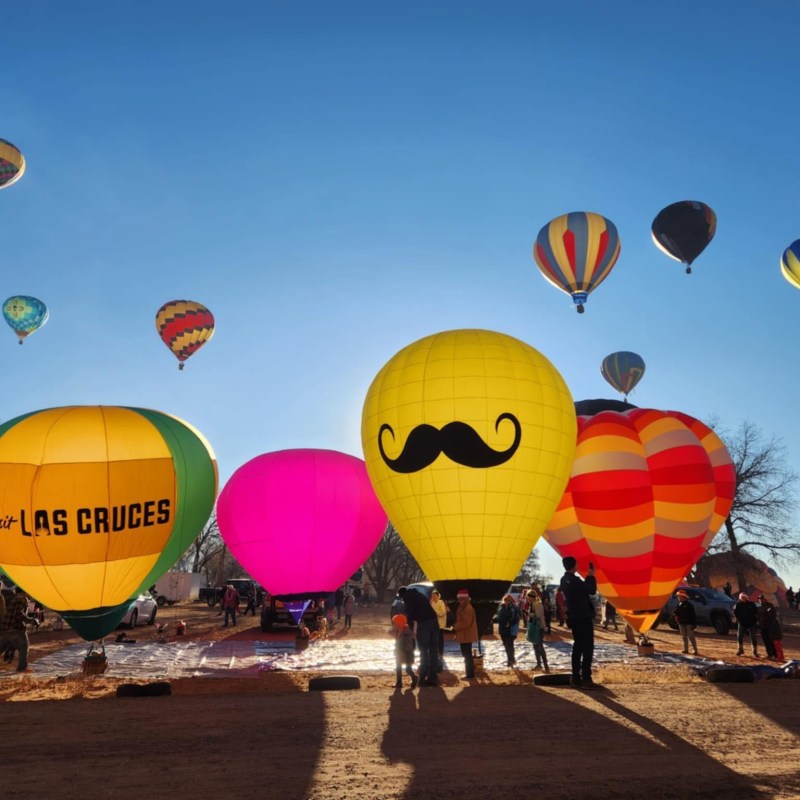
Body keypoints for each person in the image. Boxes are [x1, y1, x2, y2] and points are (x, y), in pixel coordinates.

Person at [560, 556, 598, 689]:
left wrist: (587, 578)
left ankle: (576, 678)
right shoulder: (574, 581)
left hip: (574, 617)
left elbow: (584, 588)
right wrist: (591, 576)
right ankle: (586, 679)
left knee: (577, 647)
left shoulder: (564, 580)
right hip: (583, 617)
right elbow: (591, 590)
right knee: (587, 648)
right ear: (574, 566)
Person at [397, 586, 439, 687]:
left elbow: (411, 614)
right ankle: (433, 678)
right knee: (433, 651)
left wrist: (407, 627)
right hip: (434, 621)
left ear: (402, 595)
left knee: (423, 650)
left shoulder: (408, 597)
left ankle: (422, 678)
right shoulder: (419, 594)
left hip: (424, 623)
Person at [0, 586, 37, 672]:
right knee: (24, 646)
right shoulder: (22, 599)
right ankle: (22, 668)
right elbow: (19, 613)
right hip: (15, 629)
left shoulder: (16, 598)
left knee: (2, 647)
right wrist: (31, 620)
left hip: (6, 628)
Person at [451, 588, 478, 680]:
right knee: (466, 654)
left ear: (465, 599)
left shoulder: (468, 609)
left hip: (466, 634)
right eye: (458, 599)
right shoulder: (462, 607)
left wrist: (455, 626)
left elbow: (466, 623)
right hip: (464, 634)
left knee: (467, 655)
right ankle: (469, 673)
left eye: (461, 599)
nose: (459, 601)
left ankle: (470, 674)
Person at [390, 613, 418, 689]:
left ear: (399, 623)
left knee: (408, 669)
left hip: (406, 654)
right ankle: (399, 683)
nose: (394, 625)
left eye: (395, 623)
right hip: (400, 653)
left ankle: (414, 678)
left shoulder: (406, 633)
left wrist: (406, 654)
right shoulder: (398, 631)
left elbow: (409, 646)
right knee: (398, 667)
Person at [525, 589, 549, 672]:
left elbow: (538, 616)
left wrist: (528, 614)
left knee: (539, 647)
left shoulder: (538, 604)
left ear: (531, 597)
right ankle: (539, 665)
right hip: (534, 627)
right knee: (535, 646)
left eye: (528, 597)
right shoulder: (532, 604)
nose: (527, 599)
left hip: (539, 627)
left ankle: (546, 666)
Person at [757, 595, 784, 661]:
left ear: (765, 599)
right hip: (763, 627)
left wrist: (770, 626)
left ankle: (776, 656)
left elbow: (772, 617)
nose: (760, 600)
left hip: (770, 628)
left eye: (762, 599)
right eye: (759, 599)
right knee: (766, 642)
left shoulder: (770, 606)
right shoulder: (759, 608)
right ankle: (770, 655)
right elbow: (758, 617)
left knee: (772, 642)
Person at [497, 594, 520, 667]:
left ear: (511, 601)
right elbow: (499, 617)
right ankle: (511, 659)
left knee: (509, 645)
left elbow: (516, 618)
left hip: (510, 630)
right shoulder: (501, 608)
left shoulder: (514, 608)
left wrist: (509, 623)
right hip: (502, 629)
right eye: (505, 600)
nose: (506, 602)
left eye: (508, 600)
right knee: (506, 646)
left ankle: (510, 660)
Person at [673, 589, 699, 655]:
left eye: (680, 596)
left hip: (689, 623)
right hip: (681, 623)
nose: (678, 597)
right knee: (684, 637)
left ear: (683, 597)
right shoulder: (678, 604)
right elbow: (676, 612)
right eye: (678, 596)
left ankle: (695, 650)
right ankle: (686, 649)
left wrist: (693, 624)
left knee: (691, 637)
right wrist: (675, 615)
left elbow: (693, 615)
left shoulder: (689, 605)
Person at [734, 592, 759, 656]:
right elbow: (735, 614)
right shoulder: (737, 605)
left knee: (753, 637)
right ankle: (740, 649)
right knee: (739, 636)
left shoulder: (752, 604)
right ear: (740, 598)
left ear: (747, 597)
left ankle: (755, 651)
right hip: (742, 623)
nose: (743, 598)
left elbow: (756, 613)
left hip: (752, 623)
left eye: (744, 597)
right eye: (742, 597)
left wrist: (756, 620)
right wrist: (739, 620)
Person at [429, 589, 447, 669]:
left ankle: (441, 653)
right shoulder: (432, 603)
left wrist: (434, 611)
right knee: (434, 639)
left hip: (440, 624)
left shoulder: (441, 602)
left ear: (438, 596)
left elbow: (442, 613)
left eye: (435, 596)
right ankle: (435, 653)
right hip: (433, 624)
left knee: (440, 639)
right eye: (432, 596)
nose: (433, 597)